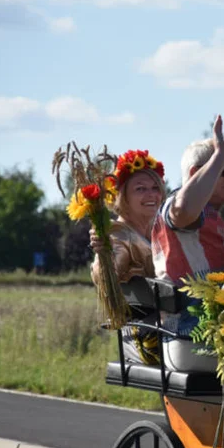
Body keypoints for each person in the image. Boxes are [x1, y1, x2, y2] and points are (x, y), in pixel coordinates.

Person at [151, 115, 224, 371]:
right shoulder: (183, 209)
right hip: (192, 335)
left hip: (220, 332)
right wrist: (219, 156)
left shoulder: (223, 225)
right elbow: (183, 210)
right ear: (194, 174)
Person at [90, 149, 167, 364]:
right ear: (122, 195)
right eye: (140, 189)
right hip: (144, 333)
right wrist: (103, 253)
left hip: (167, 322)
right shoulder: (118, 234)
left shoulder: (160, 230)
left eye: (155, 188)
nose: (151, 195)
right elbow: (107, 275)